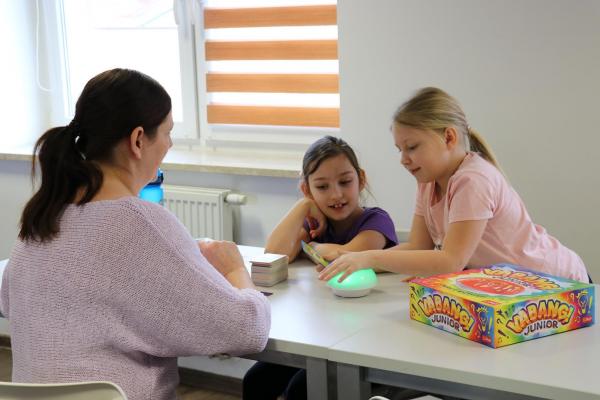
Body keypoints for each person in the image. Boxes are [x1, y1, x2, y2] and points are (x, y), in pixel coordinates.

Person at [0, 68, 270, 400]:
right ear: (138, 140)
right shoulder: (138, 221)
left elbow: (9, 300)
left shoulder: (42, 216)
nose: (170, 144)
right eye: (168, 133)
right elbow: (247, 329)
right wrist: (234, 268)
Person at [319, 87, 589, 285]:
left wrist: (370, 258)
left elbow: (451, 260)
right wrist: (355, 261)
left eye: (412, 147)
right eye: (400, 149)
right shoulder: (428, 182)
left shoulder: (473, 180)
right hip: (514, 286)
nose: (403, 159)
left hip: (557, 282)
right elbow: (419, 246)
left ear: (449, 137)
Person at [243, 135, 398, 400]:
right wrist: (303, 205)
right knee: (255, 381)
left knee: (299, 391)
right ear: (307, 189)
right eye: (322, 187)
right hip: (319, 337)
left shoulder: (376, 221)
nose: (336, 194)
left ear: (361, 179)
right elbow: (275, 254)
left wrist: (316, 246)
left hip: (363, 343)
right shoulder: (313, 223)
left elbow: (346, 255)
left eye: (345, 182)